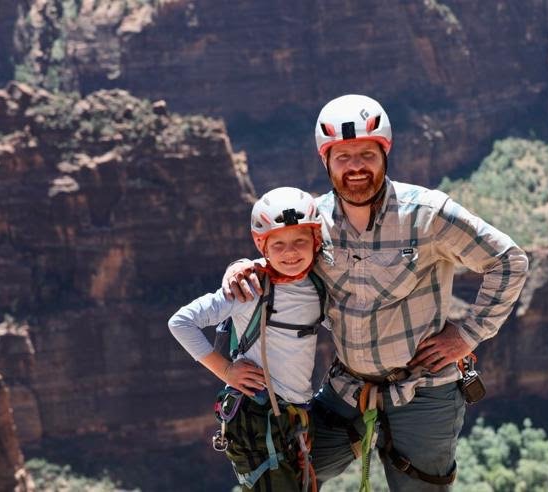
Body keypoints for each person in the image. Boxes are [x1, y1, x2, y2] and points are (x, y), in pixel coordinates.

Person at [222, 94, 529, 491]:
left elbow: (508, 260)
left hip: (425, 391)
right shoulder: (315, 224)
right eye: (343, 156)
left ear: (385, 152)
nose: (355, 167)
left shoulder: (428, 214)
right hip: (347, 389)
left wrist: (467, 334)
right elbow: (280, 259)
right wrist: (242, 268)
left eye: (366, 154)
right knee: (280, 478)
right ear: (325, 161)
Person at [169, 187, 326, 491]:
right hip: (258, 418)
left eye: (300, 241)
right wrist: (226, 371)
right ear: (261, 245)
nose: (290, 252)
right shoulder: (248, 288)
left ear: (315, 241)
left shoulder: (317, 285)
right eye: (278, 243)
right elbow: (181, 322)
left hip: (295, 414)